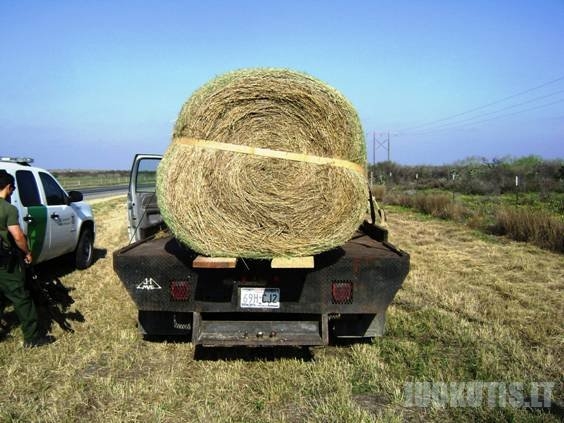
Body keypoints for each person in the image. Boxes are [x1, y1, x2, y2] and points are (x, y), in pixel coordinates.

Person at [0, 170, 55, 347]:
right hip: (5, 263)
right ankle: (33, 338)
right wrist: (27, 252)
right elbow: (17, 236)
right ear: (8, 187)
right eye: (12, 189)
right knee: (21, 297)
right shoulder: (8, 209)